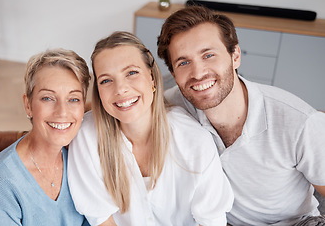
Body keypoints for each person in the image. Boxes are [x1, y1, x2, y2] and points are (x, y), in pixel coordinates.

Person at [157, 5, 325, 225]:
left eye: (208, 55)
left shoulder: (300, 122)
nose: (198, 73)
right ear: (174, 74)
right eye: (184, 62)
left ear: (235, 56)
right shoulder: (173, 105)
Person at [67, 31, 234, 226]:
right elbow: (101, 218)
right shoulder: (86, 135)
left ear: (152, 79)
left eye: (131, 73)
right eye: (106, 80)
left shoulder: (194, 139)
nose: (120, 89)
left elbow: (210, 221)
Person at [0, 49, 90, 226]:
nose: (62, 112)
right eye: (48, 98)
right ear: (28, 105)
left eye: (73, 99)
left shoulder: (80, 160)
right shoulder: (1, 183)